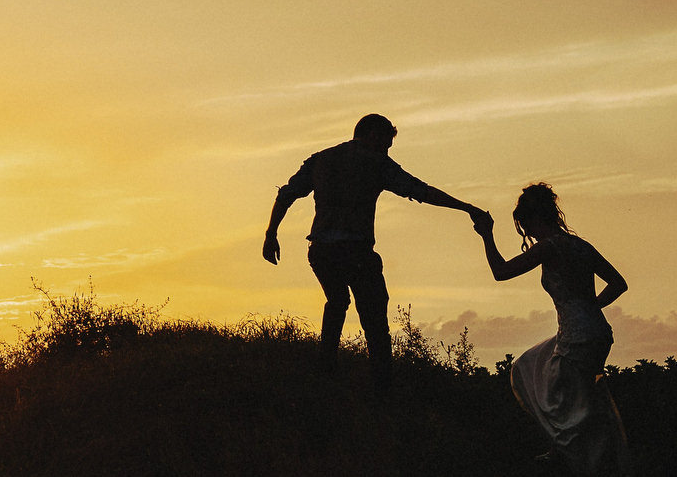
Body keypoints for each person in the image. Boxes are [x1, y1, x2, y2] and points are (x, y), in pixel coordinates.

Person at [263, 113, 488, 390]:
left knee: (336, 302)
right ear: (372, 135)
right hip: (356, 251)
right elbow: (421, 191)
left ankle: (326, 369)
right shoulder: (376, 163)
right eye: (385, 143)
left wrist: (271, 233)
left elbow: (286, 194)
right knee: (374, 319)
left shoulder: (321, 159)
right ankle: (382, 386)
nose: (386, 150)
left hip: (321, 250)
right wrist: (467, 207)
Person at [476, 183, 631, 475]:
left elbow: (501, 272)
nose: (528, 234)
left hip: (578, 337)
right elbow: (619, 283)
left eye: (526, 226)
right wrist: (590, 308)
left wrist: (487, 235)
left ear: (535, 219)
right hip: (596, 332)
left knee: (558, 397)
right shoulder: (581, 246)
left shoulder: (550, 247)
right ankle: (566, 451)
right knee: (533, 368)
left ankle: (574, 458)